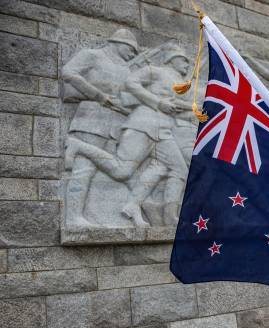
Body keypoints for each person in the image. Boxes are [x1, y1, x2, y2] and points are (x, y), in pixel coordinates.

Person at [65, 44, 191, 227]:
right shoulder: (152, 70)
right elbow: (131, 83)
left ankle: (164, 215)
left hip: (162, 131)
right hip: (142, 124)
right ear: (171, 59)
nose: (187, 65)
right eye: (183, 60)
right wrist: (157, 102)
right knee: (121, 170)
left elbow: (173, 103)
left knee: (179, 169)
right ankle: (77, 146)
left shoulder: (176, 82)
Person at [62, 28, 139, 227]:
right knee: (83, 170)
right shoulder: (92, 55)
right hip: (91, 118)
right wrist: (98, 95)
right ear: (119, 42)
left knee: (117, 172)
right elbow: (68, 73)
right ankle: (74, 217)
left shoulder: (127, 69)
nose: (133, 54)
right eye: (132, 49)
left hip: (115, 125)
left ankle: (124, 214)